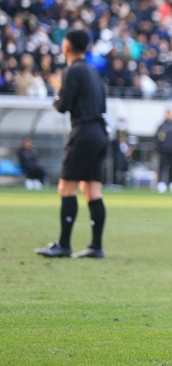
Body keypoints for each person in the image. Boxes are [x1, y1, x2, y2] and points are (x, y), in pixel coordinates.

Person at [36, 30, 109, 259]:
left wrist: (58, 92)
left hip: (84, 132)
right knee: (92, 190)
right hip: (100, 132)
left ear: (66, 47)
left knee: (66, 188)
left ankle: (64, 245)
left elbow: (63, 105)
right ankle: (96, 246)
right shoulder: (93, 72)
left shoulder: (72, 71)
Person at [155, 109, 172, 193]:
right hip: (163, 151)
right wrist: (158, 149)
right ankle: (161, 183)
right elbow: (157, 139)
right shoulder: (161, 126)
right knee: (162, 167)